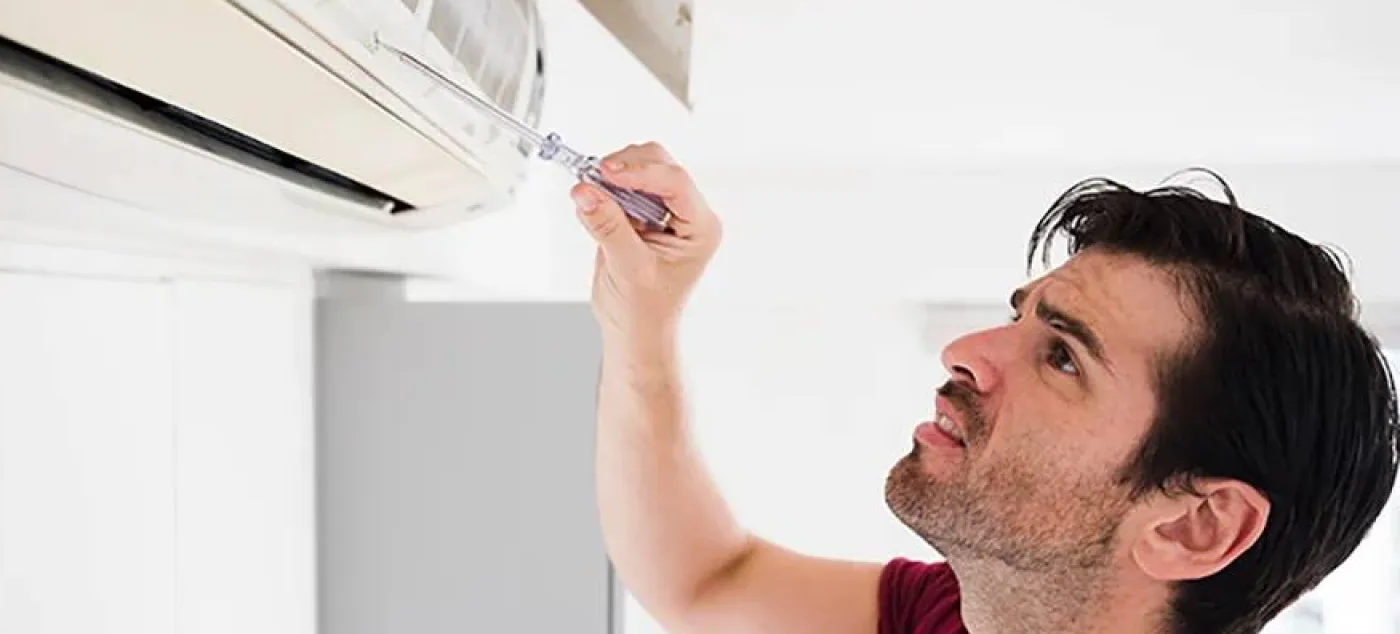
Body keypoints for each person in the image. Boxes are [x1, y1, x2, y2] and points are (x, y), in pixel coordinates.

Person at [568, 142, 1399, 634]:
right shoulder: (962, 615)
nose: (965, 351)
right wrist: (640, 322)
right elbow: (711, 580)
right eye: (1022, 317)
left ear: (1194, 525)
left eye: (1064, 358)